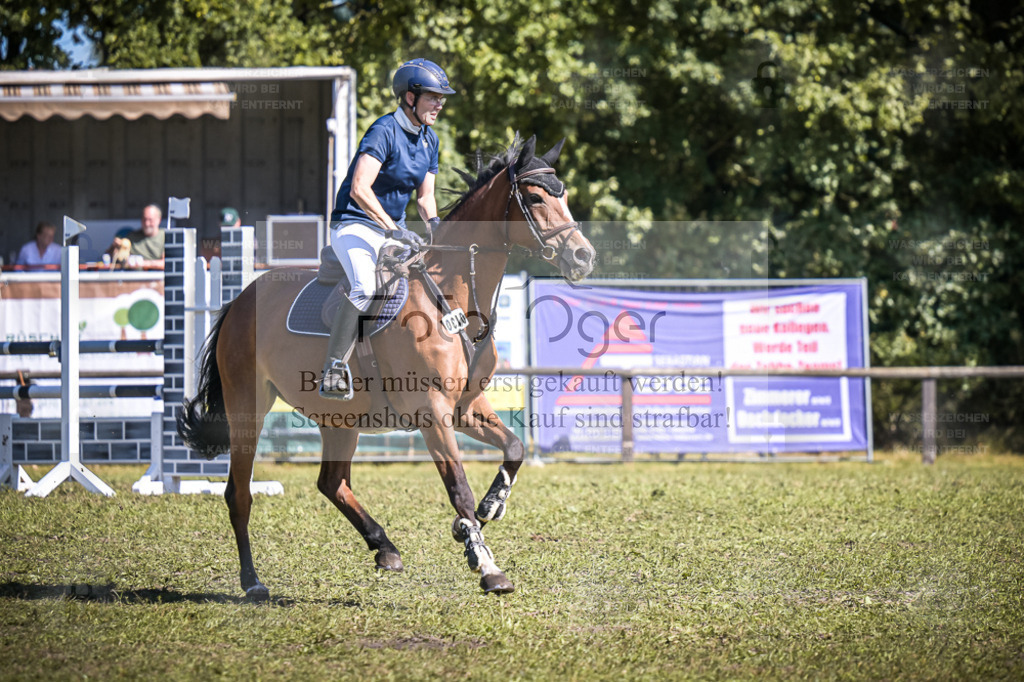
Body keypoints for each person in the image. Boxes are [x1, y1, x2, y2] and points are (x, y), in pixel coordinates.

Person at [320, 58, 454, 400]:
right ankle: (334, 368)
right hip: (355, 224)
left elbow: (425, 199)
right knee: (365, 286)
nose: (440, 103)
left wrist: (437, 230)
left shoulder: (430, 141)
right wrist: (393, 228)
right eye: (433, 97)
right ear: (410, 97)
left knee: (430, 279)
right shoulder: (383, 130)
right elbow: (360, 189)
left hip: (393, 231)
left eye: (442, 98)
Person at [106, 204, 165, 269]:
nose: (147, 223)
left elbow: (167, 263)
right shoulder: (132, 237)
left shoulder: (165, 237)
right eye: (144, 219)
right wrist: (114, 247)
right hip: (133, 277)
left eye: (150, 220)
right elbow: (110, 257)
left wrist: (144, 263)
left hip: (155, 277)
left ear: (159, 220)